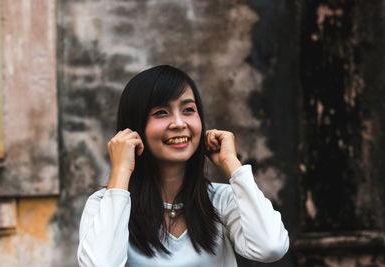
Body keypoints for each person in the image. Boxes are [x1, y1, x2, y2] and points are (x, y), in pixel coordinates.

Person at [77, 65, 289, 267]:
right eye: (161, 112)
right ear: (134, 127)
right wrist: (121, 171)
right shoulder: (103, 205)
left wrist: (232, 164)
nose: (179, 123)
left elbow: (271, 247)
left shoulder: (220, 201)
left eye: (188, 109)